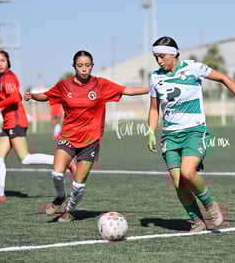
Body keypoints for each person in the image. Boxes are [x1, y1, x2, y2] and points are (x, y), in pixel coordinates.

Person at [147, 36, 235, 232]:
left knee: (188, 172)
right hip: (170, 136)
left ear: (173, 54)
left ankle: (210, 205)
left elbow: (224, 78)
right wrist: (150, 130)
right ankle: (196, 221)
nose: (159, 61)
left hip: (194, 131)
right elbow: (154, 108)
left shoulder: (193, 68)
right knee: (178, 183)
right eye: (156, 57)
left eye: (162, 56)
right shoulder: (155, 77)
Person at [24, 50, 149, 222]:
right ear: (74, 66)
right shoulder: (64, 85)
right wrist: (33, 96)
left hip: (90, 140)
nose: (84, 69)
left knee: (78, 182)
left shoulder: (100, 85)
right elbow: (46, 95)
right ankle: (60, 197)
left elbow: (127, 90)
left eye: (87, 65)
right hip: (68, 136)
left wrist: (151, 89)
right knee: (57, 173)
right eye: (80, 65)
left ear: (92, 66)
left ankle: (69, 210)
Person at [0, 50, 58, 204]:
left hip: (15, 122)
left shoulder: (8, 77)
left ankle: (62, 160)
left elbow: (15, 97)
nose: (0, 63)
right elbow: (9, 97)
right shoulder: (3, 78)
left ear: (8, 61)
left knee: (25, 159)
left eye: (3, 60)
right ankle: (0, 194)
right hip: (8, 123)